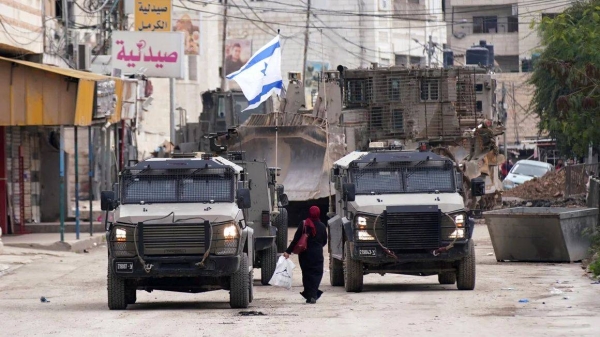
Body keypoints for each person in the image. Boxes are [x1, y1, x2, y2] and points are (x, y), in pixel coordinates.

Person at [284, 206, 327, 304]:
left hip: (305, 254)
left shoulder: (304, 224)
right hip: (317, 254)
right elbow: (324, 241)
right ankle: (313, 294)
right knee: (317, 274)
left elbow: (296, 240)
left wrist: (288, 251)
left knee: (306, 274)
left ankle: (309, 295)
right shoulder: (322, 226)